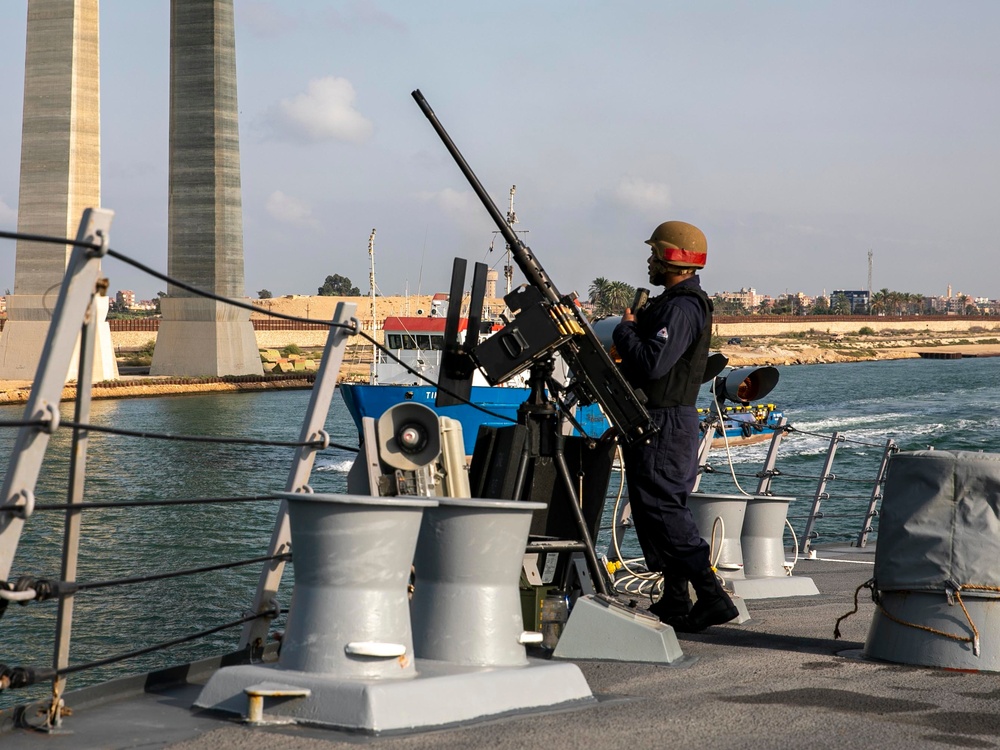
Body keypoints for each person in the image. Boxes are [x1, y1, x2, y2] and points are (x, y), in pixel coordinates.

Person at [612, 220, 738, 633]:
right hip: (662, 420)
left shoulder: (681, 307)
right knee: (653, 511)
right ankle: (677, 600)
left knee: (664, 509)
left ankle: (712, 595)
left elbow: (652, 362)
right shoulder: (676, 303)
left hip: (665, 422)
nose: (648, 261)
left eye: (653, 254)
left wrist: (626, 330)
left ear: (669, 258)